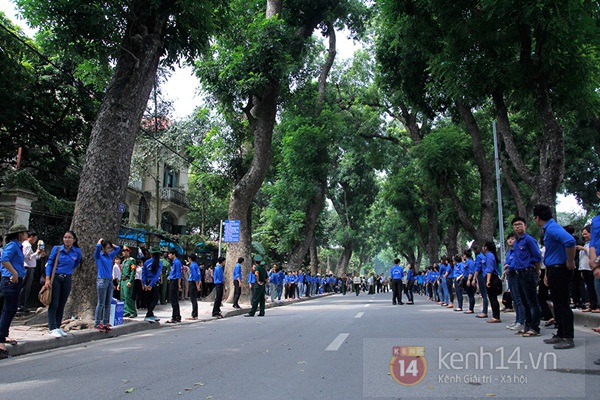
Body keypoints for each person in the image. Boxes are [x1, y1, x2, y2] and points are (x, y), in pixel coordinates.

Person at [534, 204, 577, 349]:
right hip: (553, 269)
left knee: (563, 304)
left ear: (537, 218)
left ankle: (568, 336)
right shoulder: (549, 229)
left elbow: (570, 241)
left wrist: (570, 261)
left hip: (560, 269)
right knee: (558, 303)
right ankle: (560, 333)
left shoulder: (552, 228)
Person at [45, 230, 82, 338]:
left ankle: (57, 325)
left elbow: (76, 262)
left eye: (69, 237)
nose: (67, 239)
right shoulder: (57, 249)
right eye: (65, 237)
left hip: (67, 278)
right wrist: (48, 279)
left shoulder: (77, 251)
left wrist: (68, 271)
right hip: (56, 278)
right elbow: (50, 263)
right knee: (54, 303)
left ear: (74, 240)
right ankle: (52, 328)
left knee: (62, 304)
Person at [0, 224, 29, 358]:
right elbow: (4, 260)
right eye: (25, 233)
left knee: (10, 309)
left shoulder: (18, 246)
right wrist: (14, 273)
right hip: (10, 280)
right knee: (8, 309)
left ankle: (4, 335)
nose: (26, 235)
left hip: (15, 280)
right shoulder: (12, 245)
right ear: (19, 234)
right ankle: (0, 339)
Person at [511, 217, 543, 337]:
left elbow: (537, 257)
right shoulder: (516, 242)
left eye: (520, 224)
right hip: (518, 273)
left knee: (532, 301)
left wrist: (537, 271)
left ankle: (535, 327)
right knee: (523, 301)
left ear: (525, 226)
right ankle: (527, 325)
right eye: (515, 225)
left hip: (528, 271)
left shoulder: (529, 240)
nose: (517, 227)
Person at [93, 238, 121, 332]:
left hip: (109, 280)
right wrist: (100, 242)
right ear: (103, 248)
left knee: (108, 303)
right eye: (107, 248)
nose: (109, 250)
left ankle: (105, 322)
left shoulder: (110, 256)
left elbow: (118, 248)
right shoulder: (99, 256)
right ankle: (97, 322)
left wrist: (111, 244)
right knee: (101, 302)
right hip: (102, 280)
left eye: (109, 248)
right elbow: (97, 250)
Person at [18, 230, 46, 312]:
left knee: (27, 287)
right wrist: (36, 252)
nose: (36, 240)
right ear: (31, 237)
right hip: (27, 268)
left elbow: (32, 257)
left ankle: (23, 304)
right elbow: (27, 257)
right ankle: (20, 305)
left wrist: (39, 254)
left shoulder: (28, 246)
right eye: (35, 238)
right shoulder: (26, 245)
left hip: (30, 268)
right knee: (25, 287)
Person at [577, 225, 599, 312]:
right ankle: (592, 305)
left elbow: (592, 255)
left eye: (586, 234)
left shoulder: (594, 244)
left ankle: (597, 305)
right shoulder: (586, 243)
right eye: (584, 234)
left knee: (594, 287)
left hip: (592, 269)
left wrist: (584, 249)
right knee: (589, 287)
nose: (585, 236)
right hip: (585, 268)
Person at [482, 241, 502, 323]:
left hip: (492, 277)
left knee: (493, 297)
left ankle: (496, 316)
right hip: (492, 277)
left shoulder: (489, 255)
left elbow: (490, 269)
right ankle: (495, 315)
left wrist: (488, 280)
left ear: (486, 247)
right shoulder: (490, 255)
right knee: (492, 297)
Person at [142, 246, 163, 322]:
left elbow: (143, 274)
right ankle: (148, 314)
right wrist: (151, 285)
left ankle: (151, 314)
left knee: (149, 300)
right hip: (154, 283)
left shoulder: (146, 262)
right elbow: (157, 275)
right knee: (155, 299)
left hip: (147, 282)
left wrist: (144, 284)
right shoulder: (159, 263)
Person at [119, 247, 137, 318]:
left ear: (128, 252)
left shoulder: (132, 261)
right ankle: (126, 311)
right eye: (123, 251)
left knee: (128, 296)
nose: (123, 252)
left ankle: (132, 311)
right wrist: (119, 283)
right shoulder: (124, 262)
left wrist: (130, 281)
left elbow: (133, 271)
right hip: (123, 280)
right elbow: (122, 273)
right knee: (123, 297)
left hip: (127, 280)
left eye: (124, 251)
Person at [166, 249, 182, 323]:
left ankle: (175, 317)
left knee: (173, 299)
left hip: (174, 281)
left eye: (170, 254)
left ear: (173, 254)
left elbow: (178, 275)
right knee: (174, 299)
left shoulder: (177, 262)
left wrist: (179, 284)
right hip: (172, 281)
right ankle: (177, 316)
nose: (169, 255)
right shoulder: (174, 262)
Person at [187, 253, 201, 320]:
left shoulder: (192, 265)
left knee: (193, 299)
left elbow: (195, 276)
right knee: (194, 299)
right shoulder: (196, 265)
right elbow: (198, 275)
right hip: (195, 282)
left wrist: (197, 285)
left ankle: (194, 315)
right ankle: (195, 314)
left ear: (190, 258)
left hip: (193, 282)